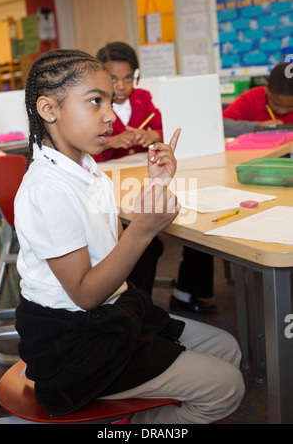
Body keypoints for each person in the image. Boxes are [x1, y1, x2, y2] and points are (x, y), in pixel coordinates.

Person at [14, 48, 244, 424]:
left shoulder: (87, 169)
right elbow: (86, 294)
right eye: (95, 102)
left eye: (110, 101)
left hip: (111, 313)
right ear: (48, 109)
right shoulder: (46, 189)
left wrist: (156, 187)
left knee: (226, 347)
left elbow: (110, 249)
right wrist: (143, 228)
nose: (110, 116)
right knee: (227, 386)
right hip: (74, 341)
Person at [95, 41, 217, 315]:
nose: (122, 86)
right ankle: (136, 306)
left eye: (128, 78)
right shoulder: (95, 104)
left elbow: (165, 126)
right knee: (144, 239)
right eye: (113, 79)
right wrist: (112, 141)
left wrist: (153, 136)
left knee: (198, 219)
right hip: (111, 185)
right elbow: (86, 147)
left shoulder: (143, 99)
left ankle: (186, 292)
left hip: (144, 178)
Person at [223, 62, 293, 137]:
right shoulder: (251, 98)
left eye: (290, 106)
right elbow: (221, 126)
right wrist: (258, 126)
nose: (282, 111)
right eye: (276, 104)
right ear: (266, 88)